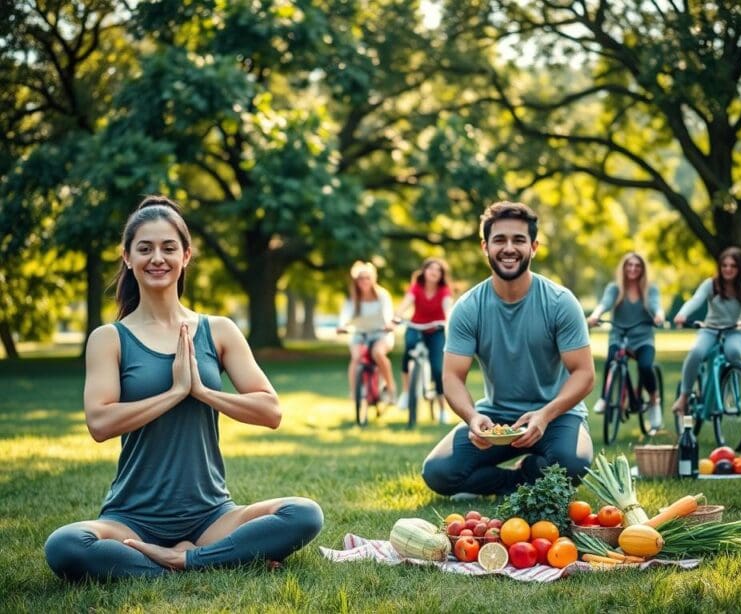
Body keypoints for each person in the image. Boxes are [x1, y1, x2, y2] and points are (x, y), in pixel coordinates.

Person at [44, 196, 323, 581]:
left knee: (305, 513)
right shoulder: (109, 339)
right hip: (133, 519)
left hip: (212, 516)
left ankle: (184, 561)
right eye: (145, 248)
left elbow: (270, 411)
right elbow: (100, 422)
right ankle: (210, 559)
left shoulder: (219, 330)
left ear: (186, 255)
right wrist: (174, 392)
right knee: (65, 546)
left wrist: (204, 392)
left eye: (168, 248)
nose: (157, 258)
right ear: (127, 257)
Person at [421, 201, 594, 499]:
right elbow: (451, 377)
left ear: (534, 247)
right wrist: (473, 418)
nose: (509, 248)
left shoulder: (560, 302)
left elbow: (584, 373)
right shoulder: (468, 307)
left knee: (573, 463)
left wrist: (545, 414)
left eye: (519, 240)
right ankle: (515, 481)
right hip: (497, 416)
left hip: (556, 415)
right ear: (485, 246)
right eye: (499, 240)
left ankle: (531, 471)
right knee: (438, 472)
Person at [671, 246, 741, 414]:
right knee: (697, 352)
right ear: (720, 267)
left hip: (735, 330)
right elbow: (695, 300)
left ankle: (732, 396)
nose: (728, 269)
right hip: (709, 330)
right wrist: (682, 314)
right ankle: (684, 397)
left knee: (733, 352)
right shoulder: (711, 284)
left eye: (733, 266)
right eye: (724, 265)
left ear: (740, 268)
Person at [586, 253, 665, 429]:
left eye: (637, 265)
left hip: (643, 338)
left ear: (642, 269)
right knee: (612, 359)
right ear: (623, 268)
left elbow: (656, 305)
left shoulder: (649, 289)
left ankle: (654, 401)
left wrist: (659, 315)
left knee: (645, 366)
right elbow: (604, 304)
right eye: (629, 265)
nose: (633, 269)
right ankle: (605, 399)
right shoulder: (615, 288)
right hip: (619, 335)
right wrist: (595, 315)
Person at [392, 258, 454, 424]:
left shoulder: (444, 290)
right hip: (415, 327)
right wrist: (397, 316)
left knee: (437, 368)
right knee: (408, 350)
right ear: (424, 271)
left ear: (441, 275)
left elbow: (448, 307)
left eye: (438, 270)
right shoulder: (416, 288)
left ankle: (442, 410)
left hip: (436, 330)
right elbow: (406, 303)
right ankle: (406, 392)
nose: (434, 272)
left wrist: (448, 320)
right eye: (430, 269)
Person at [337, 261, 397, 403]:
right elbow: (345, 314)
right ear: (356, 281)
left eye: (367, 278)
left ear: (373, 279)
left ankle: (390, 388)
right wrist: (342, 325)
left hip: (380, 333)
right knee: (356, 357)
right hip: (360, 334)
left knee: (378, 353)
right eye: (360, 279)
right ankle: (354, 393)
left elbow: (387, 312)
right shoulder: (353, 298)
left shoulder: (382, 295)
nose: (364, 281)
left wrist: (389, 324)